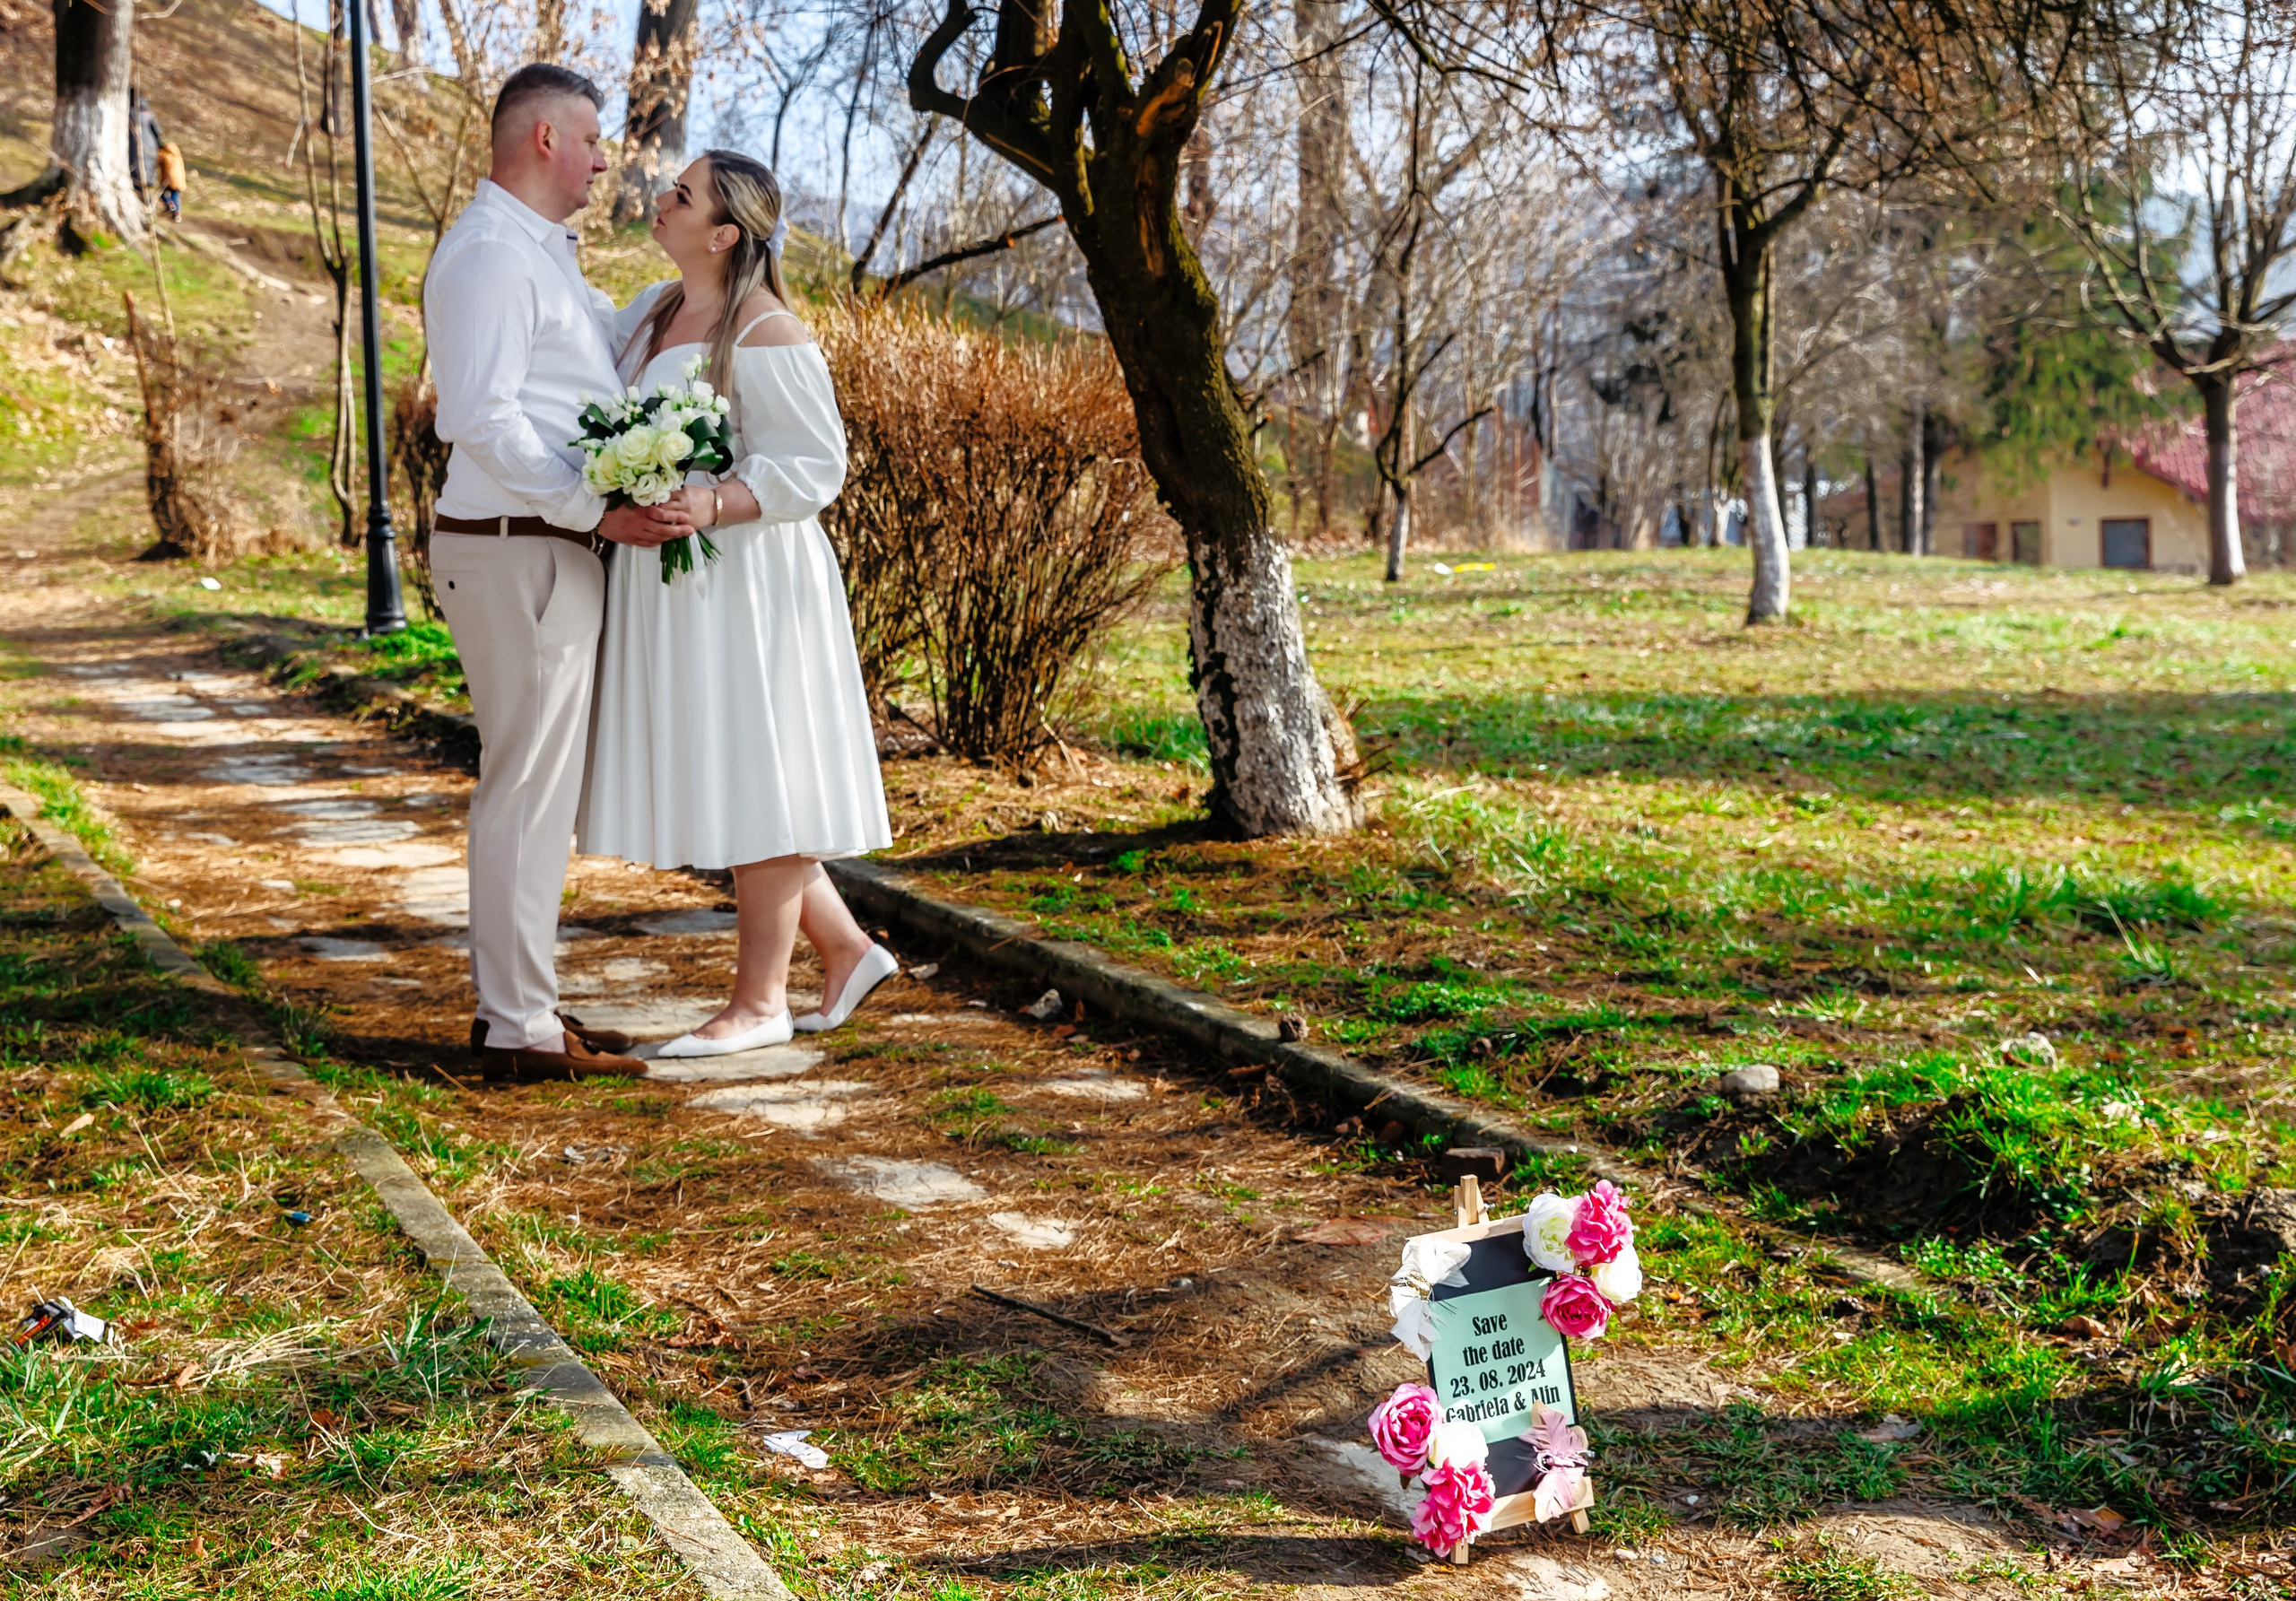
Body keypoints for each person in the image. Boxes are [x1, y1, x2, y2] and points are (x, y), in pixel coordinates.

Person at [578, 150, 897, 1057]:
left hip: (749, 582)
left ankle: (759, 1005)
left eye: (680, 196)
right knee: (735, 767)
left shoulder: (764, 329)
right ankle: (846, 948)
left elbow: (814, 465)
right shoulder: (650, 310)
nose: (659, 200)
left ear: (722, 233)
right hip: (674, 583)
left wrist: (714, 499)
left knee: (761, 774)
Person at [424, 64, 692, 1082]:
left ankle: (525, 1009)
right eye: (588, 140)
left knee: (535, 789)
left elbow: (590, 360)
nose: (599, 161)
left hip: (538, 549)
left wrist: (700, 286)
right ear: (542, 139)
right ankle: (516, 1031)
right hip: (518, 549)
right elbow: (480, 419)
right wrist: (594, 510)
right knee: (525, 790)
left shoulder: (536, 254)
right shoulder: (492, 256)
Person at [154, 142, 186, 223]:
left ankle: (170, 206)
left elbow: (158, 160)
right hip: (180, 181)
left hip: (170, 180)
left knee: (163, 195)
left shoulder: (166, 155)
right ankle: (176, 214)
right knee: (176, 197)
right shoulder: (178, 157)